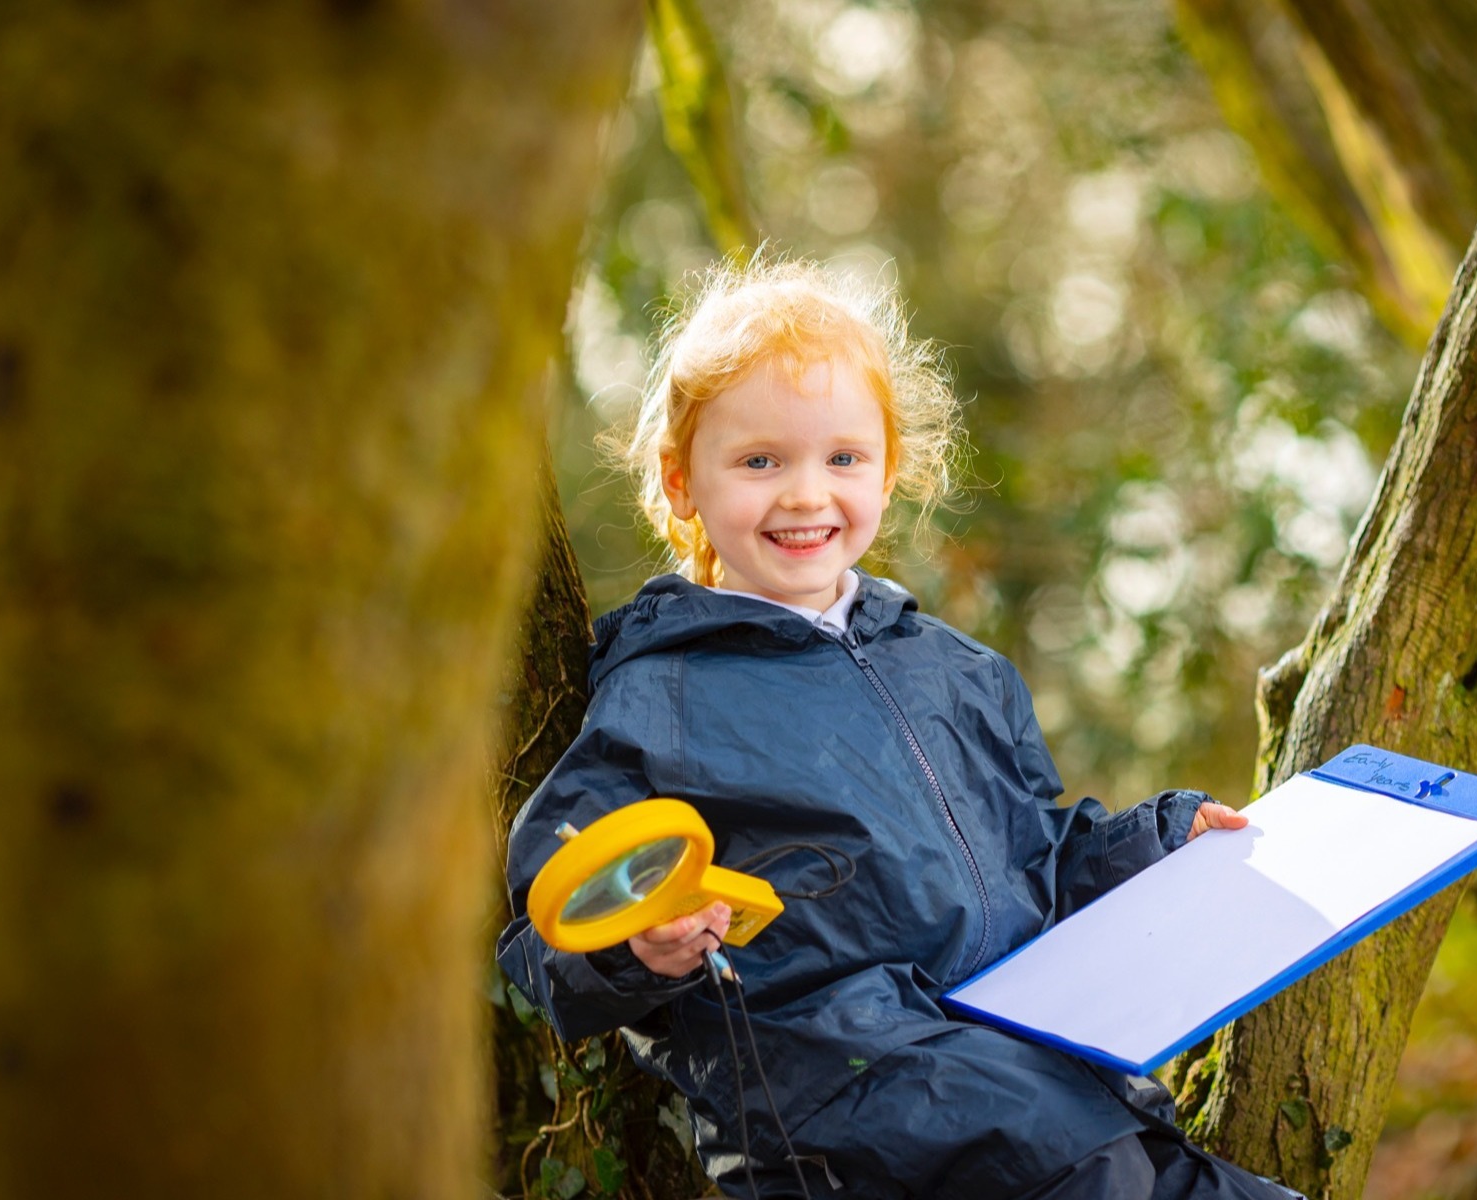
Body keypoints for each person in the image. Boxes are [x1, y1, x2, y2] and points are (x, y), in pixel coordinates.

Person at [497, 260, 1300, 1200]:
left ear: (888, 468)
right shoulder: (661, 693)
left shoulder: (955, 669)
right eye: (761, 461)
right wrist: (637, 950)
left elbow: (1036, 859)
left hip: (1017, 1053)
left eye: (842, 458)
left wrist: (1159, 841)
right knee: (1091, 1167)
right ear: (681, 483)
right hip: (833, 1090)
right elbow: (552, 918)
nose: (805, 495)